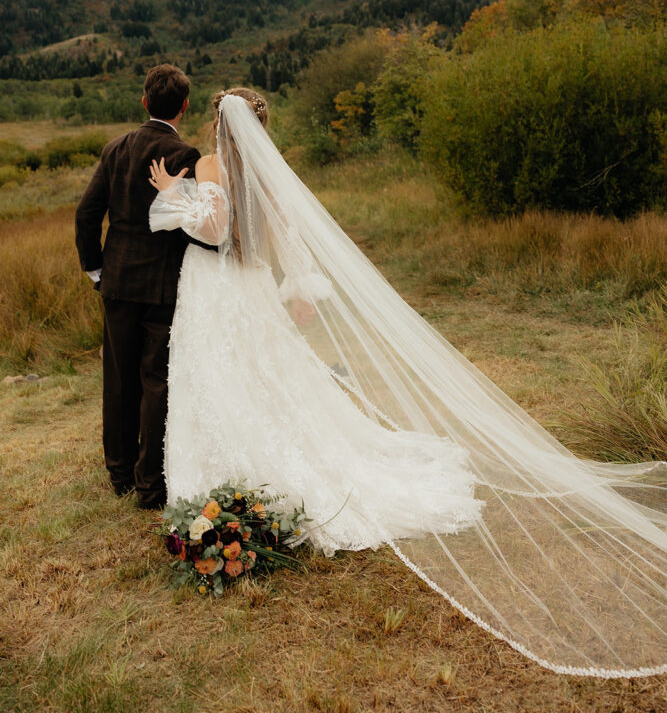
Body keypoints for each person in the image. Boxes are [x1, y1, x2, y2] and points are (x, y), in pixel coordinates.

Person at [147, 87, 666, 679]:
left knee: (220, 377)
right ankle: (240, 475)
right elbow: (279, 240)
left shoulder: (210, 166)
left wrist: (174, 195)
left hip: (214, 291)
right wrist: (299, 289)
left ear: (220, 123)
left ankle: (221, 474)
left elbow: (215, 233)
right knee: (263, 379)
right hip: (252, 291)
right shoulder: (270, 174)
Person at [75, 64, 204, 509]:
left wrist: (97, 269)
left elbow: (87, 214)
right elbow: (190, 227)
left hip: (118, 282)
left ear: (144, 101)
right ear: (184, 107)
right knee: (157, 382)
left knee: (119, 377)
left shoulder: (116, 149)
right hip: (164, 287)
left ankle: (119, 473)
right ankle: (151, 484)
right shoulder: (186, 154)